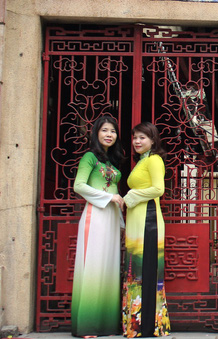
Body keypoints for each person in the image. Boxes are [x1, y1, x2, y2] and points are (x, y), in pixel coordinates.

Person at [71, 115, 125, 337]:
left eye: (112, 131)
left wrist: (120, 219)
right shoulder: (89, 158)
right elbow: (79, 186)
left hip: (111, 219)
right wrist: (110, 197)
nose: (109, 134)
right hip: (95, 216)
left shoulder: (111, 162)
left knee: (109, 268)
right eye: (104, 130)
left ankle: (106, 324)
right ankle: (88, 325)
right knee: (93, 268)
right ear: (96, 133)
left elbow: (112, 190)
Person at [122, 122, 171, 337]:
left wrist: (131, 196)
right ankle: (135, 326)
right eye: (135, 138)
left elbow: (159, 189)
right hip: (138, 222)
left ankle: (148, 327)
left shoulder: (154, 159)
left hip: (148, 222)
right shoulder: (142, 161)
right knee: (137, 273)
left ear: (153, 140)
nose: (137, 142)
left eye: (142, 137)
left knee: (146, 273)